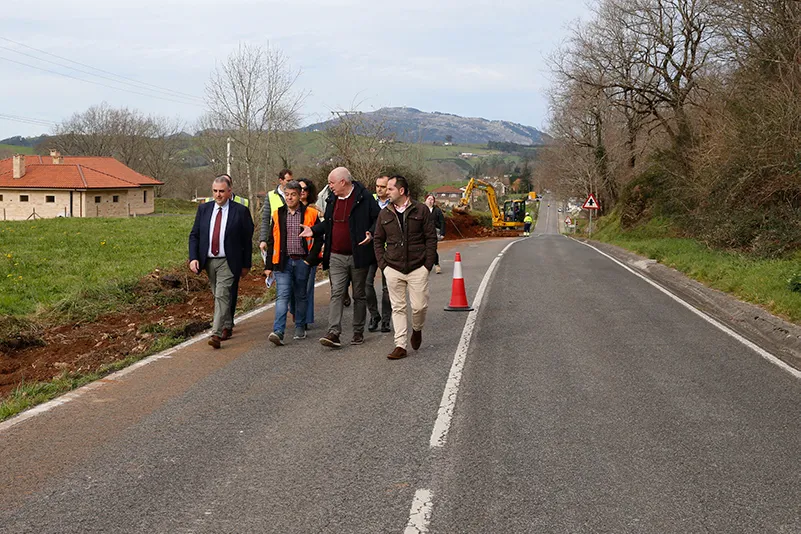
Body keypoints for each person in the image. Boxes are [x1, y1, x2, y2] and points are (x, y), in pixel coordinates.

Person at [300, 167, 379, 348]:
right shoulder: (332, 199)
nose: (329, 186)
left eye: (331, 183)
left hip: (358, 255)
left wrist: (371, 233)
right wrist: (312, 230)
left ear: (343, 182)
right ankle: (333, 332)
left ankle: (358, 331)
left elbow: (378, 219)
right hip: (335, 255)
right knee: (336, 293)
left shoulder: (364, 197)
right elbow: (328, 224)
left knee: (359, 294)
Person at [374, 175, 437, 360]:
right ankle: (400, 345)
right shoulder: (384, 213)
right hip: (393, 268)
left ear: (401, 191)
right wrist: (383, 266)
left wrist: (427, 265)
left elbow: (431, 238)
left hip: (418, 267)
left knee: (419, 306)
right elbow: (378, 240)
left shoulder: (421, 210)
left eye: (390, 189)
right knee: (398, 308)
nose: (386, 192)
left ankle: (417, 330)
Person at [189, 175, 254, 349]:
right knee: (218, 295)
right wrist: (193, 257)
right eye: (215, 191)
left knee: (222, 294)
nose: (218, 195)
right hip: (208, 260)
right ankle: (226, 324)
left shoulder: (240, 211)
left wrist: (246, 264)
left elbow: (247, 240)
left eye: (222, 192)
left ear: (229, 192)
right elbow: (195, 235)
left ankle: (216, 333)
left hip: (229, 260)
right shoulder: (204, 209)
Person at [264, 180, 322, 345]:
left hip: (302, 261)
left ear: (300, 195)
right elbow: (271, 240)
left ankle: (300, 326)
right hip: (283, 262)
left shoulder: (311, 213)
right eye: (287, 195)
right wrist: (268, 266)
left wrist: (309, 260)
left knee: (301, 295)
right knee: (282, 296)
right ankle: (278, 331)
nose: (289, 198)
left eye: (293, 195)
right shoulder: (278, 214)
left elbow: (318, 238)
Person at [288, 178, 320, 328]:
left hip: (308, 257)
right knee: (291, 289)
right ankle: (296, 312)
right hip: (290, 255)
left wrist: (312, 258)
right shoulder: (286, 210)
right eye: (298, 190)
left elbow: (321, 235)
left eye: (304, 189)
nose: (301, 192)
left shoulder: (315, 211)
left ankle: (304, 319)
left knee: (306, 289)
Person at [367, 175, 392, 332]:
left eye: (383, 186)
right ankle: (374, 315)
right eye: (377, 186)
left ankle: (386, 321)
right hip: (370, 249)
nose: (379, 189)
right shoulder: (369, 201)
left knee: (387, 287)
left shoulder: (394, 202)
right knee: (366, 284)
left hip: (388, 250)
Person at [259, 169, 293, 254]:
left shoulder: (295, 194)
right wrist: (263, 239)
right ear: (281, 180)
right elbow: (265, 219)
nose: (291, 183)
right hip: (275, 236)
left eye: (292, 180)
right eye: (288, 180)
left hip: (292, 236)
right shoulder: (270, 195)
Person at [424, 193, 445, 274]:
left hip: (435, 231)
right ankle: (425, 266)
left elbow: (442, 222)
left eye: (432, 199)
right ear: (425, 200)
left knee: (433, 249)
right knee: (423, 249)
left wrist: (442, 233)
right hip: (423, 231)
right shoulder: (421, 210)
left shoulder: (437, 210)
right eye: (429, 199)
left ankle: (437, 265)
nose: (430, 201)